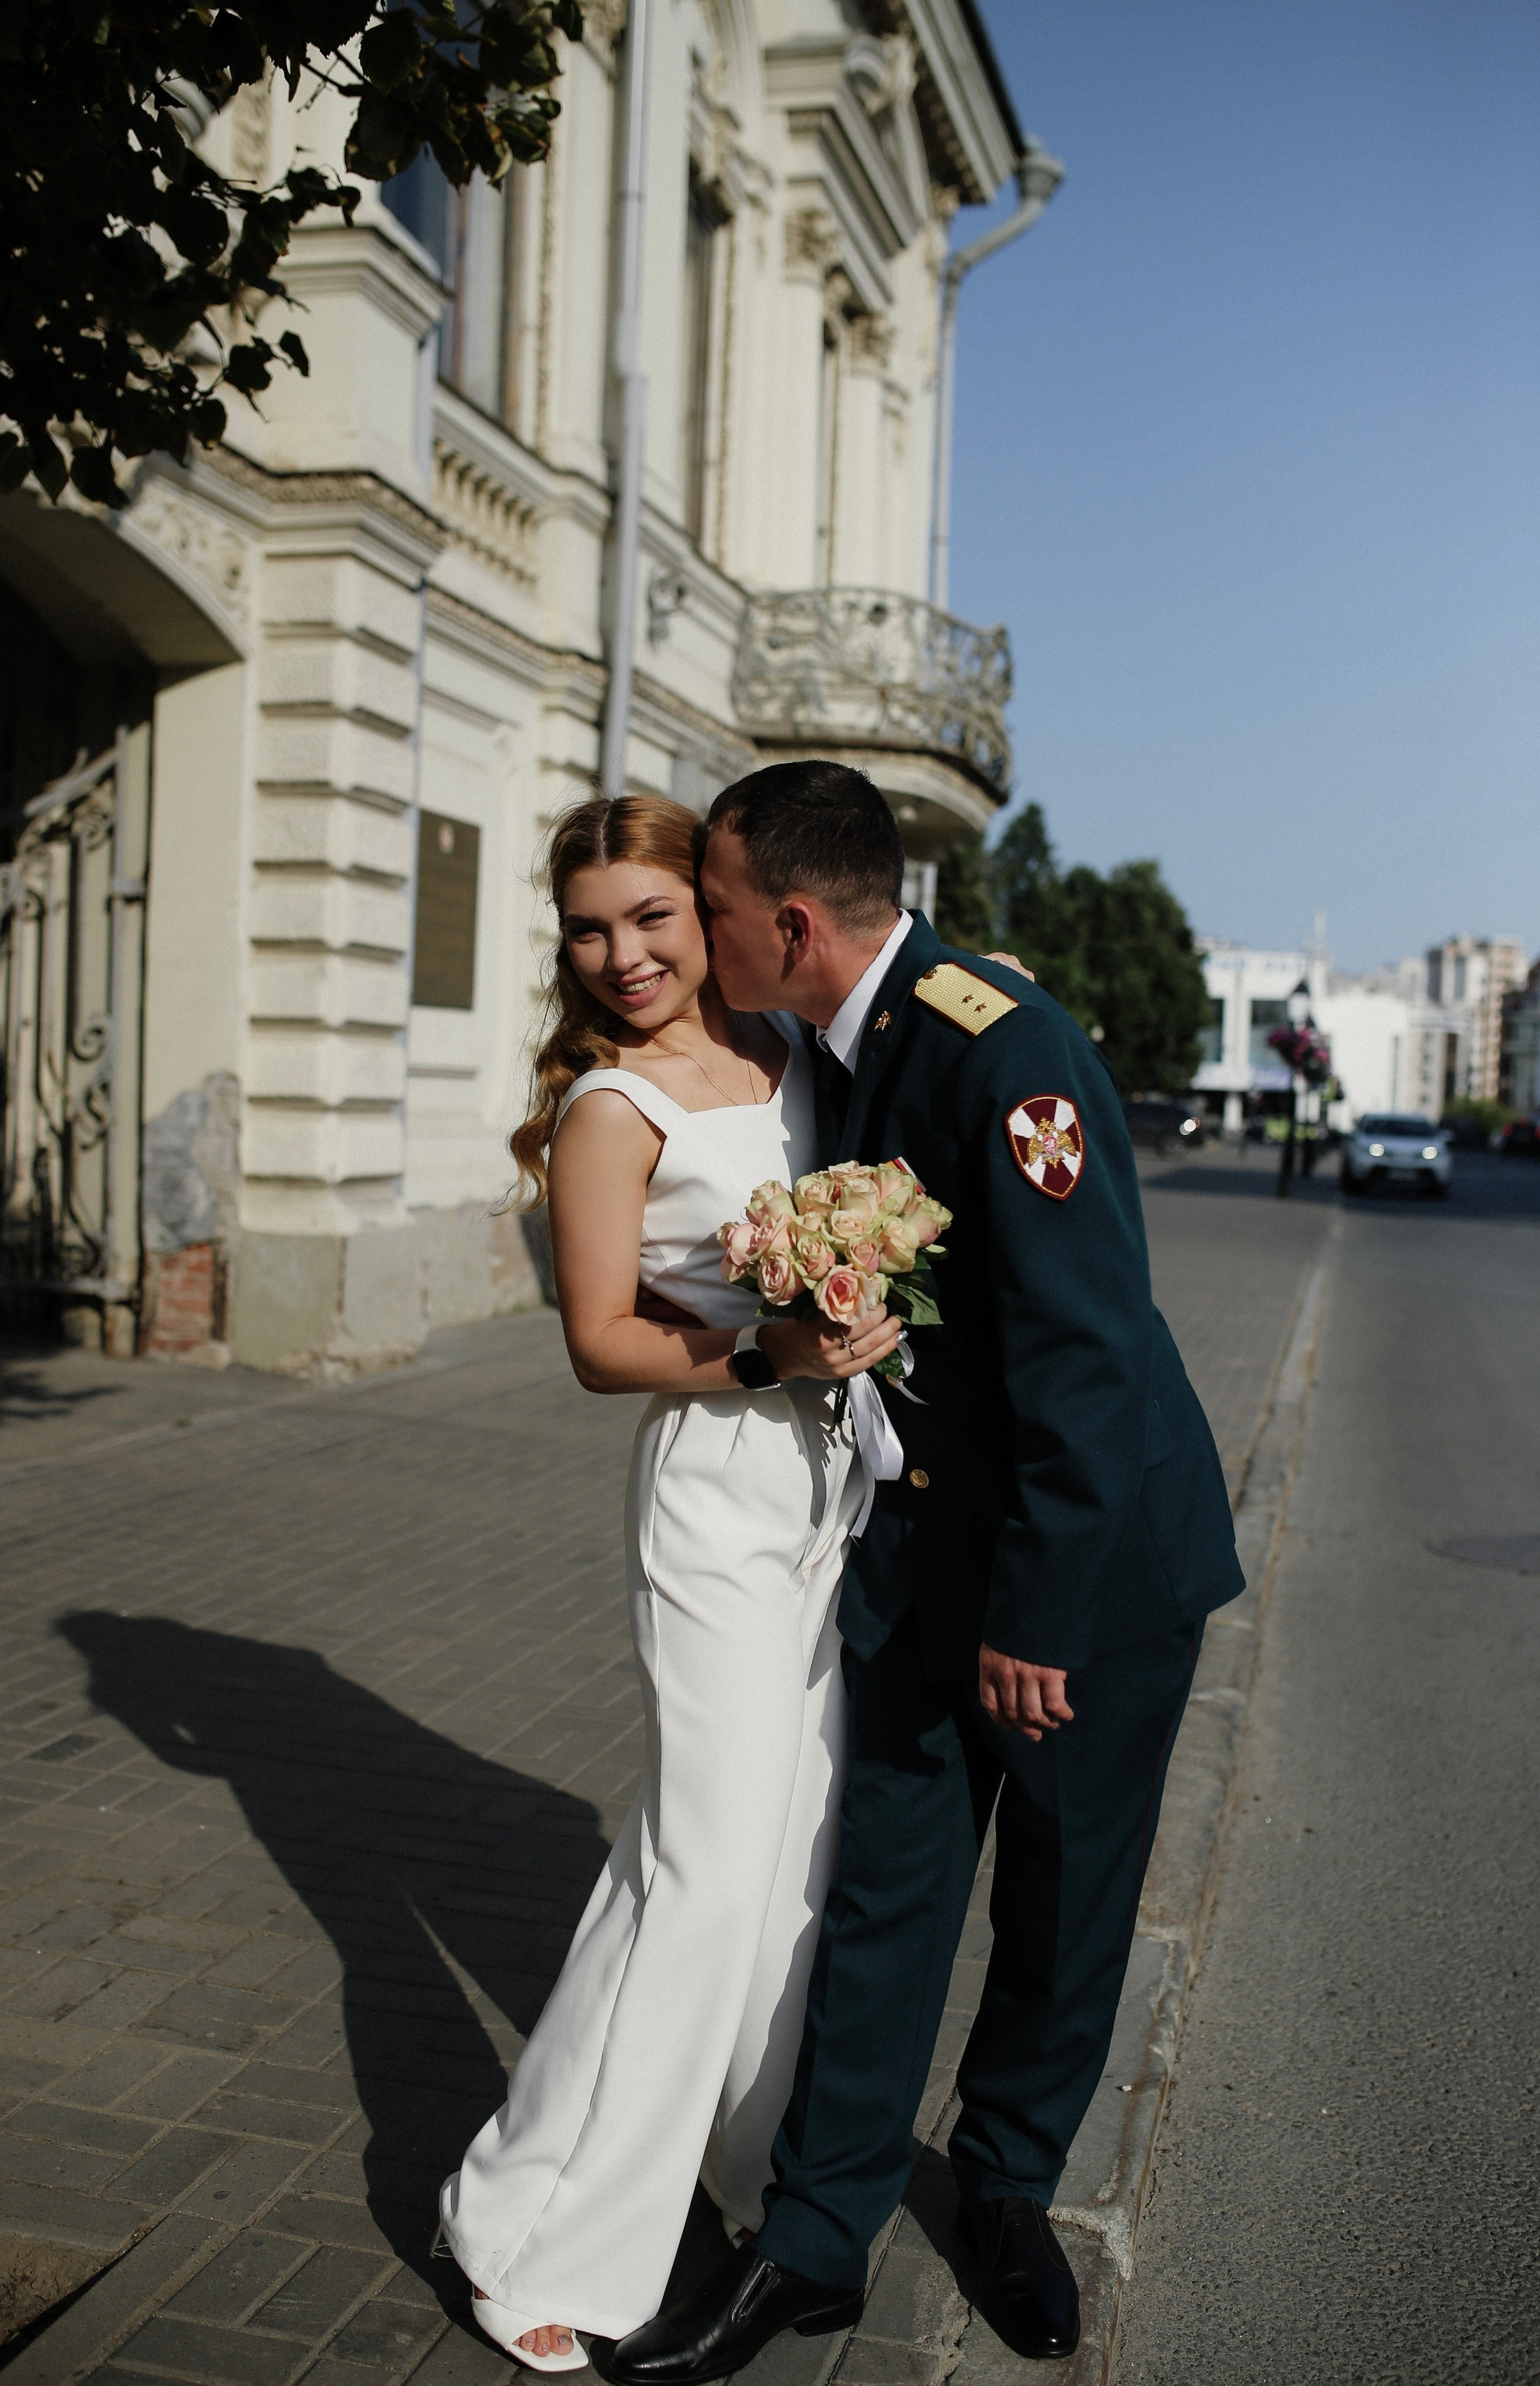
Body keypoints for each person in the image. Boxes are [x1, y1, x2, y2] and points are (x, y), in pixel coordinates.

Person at [604, 762, 1245, 2380]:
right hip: (927, 1548)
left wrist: (1034, 1619)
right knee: (890, 1891)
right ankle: (814, 2245)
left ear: (796, 926)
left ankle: (1012, 2188)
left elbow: (1086, 1362)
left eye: (721, 913)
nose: (699, 938)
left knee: (1060, 1900)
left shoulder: (998, 1051)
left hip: (1088, 1570)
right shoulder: (843, 1038)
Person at [432, 792, 904, 2370]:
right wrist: (775, 1345)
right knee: (699, 1876)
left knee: (777, 1861)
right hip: (711, 1496)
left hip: (823, 1484)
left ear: (709, 914)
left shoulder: (782, 1062)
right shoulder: (610, 1109)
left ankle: (739, 2164)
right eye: (588, 927)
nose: (623, 955)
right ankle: (531, 2232)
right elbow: (598, 1346)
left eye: (650, 915)